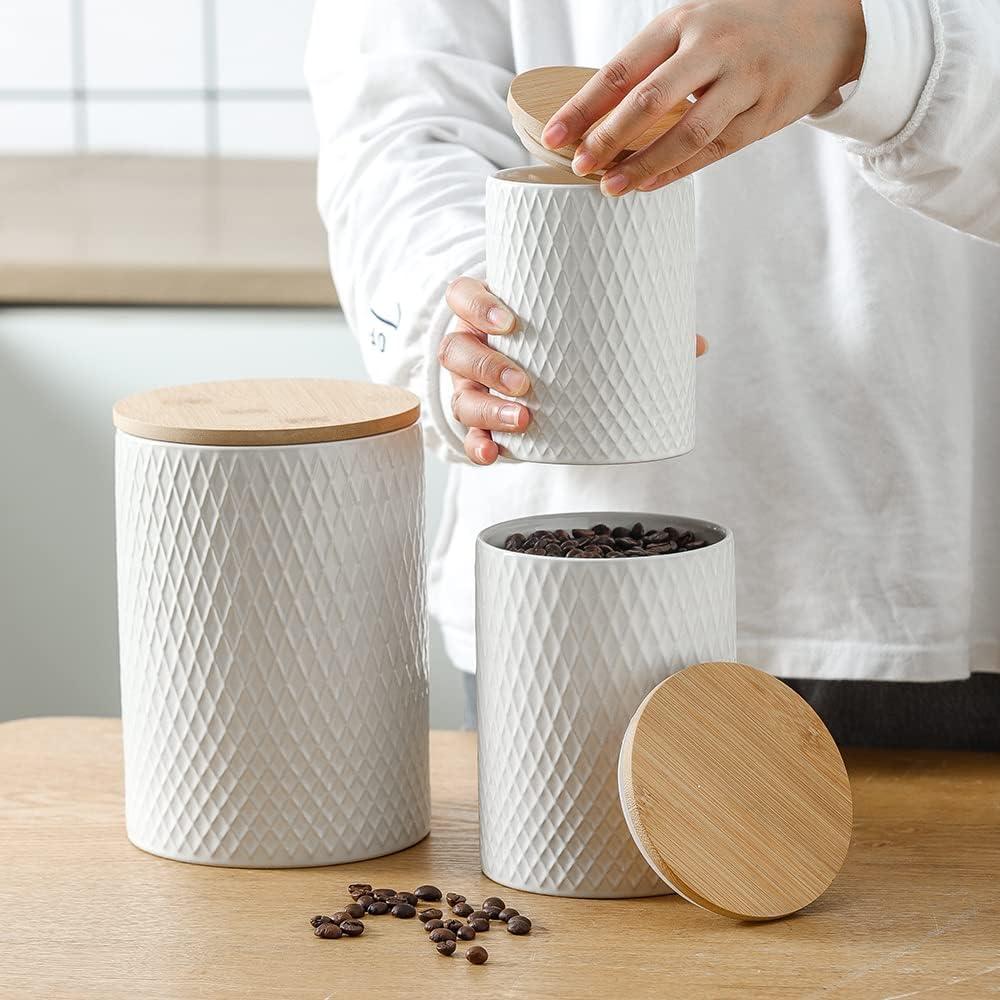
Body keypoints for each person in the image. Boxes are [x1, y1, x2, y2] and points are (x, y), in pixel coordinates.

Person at [307, 1, 1000, 747]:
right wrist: (453, 315)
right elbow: (402, 118)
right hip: (569, 583)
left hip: (951, 562)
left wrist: (875, 40)